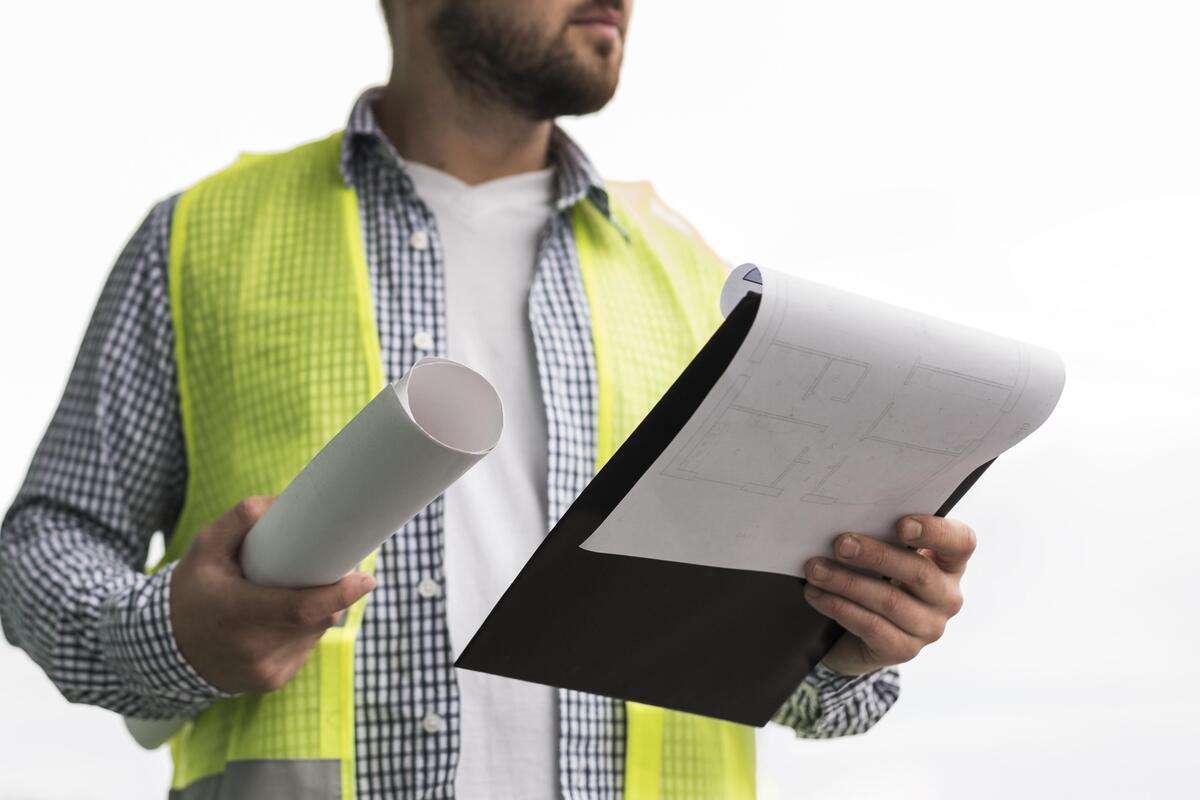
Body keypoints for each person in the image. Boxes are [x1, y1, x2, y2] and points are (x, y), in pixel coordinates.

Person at [0, 1, 977, 798]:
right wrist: (171, 633)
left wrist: (846, 642)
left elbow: (777, 677)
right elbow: (42, 545)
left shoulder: (700, 281)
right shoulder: (201, 238)